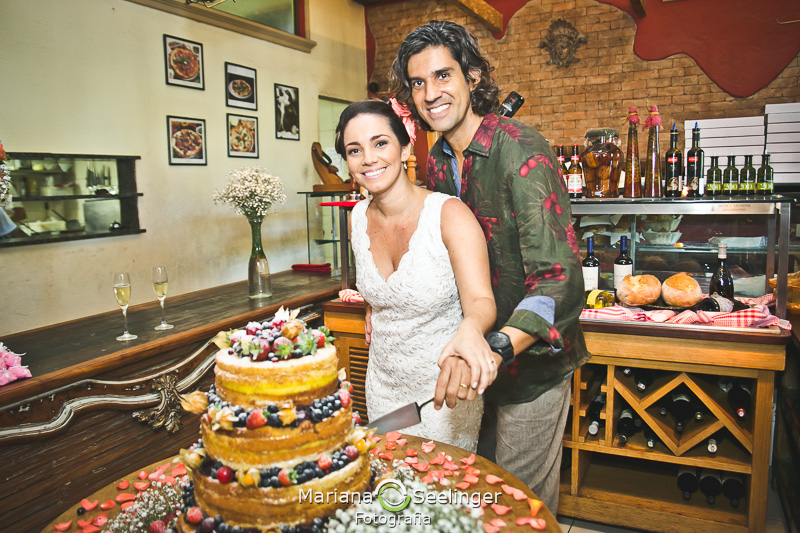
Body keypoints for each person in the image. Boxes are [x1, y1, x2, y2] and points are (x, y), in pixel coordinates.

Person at [390, 20, 590, 513]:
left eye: (443, 76)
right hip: (475, 364)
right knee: (476, 498)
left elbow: (560, 280)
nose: (430, 93)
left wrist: (498, 344)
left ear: (473, 77)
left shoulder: (520, 148)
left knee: (521, 508)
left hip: (531, 367)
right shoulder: (437, 159)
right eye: (418, 82)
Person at [334, 99, 497, 451]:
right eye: (354, 150)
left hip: (444, 388)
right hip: (383, 386)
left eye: (380, 143)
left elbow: (482, 301)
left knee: (443, 497)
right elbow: (387, 291)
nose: (368, 159)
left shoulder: (449, 215)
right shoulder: (356, 218)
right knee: (393, 495)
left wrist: (471, 329)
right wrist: (373, 305)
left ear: (405, 145)